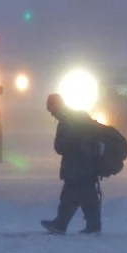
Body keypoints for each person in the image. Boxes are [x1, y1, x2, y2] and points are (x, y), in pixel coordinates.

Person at [41, 94, 102, 235]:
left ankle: (64, 224)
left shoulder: (67, 122)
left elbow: (61, 146)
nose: (52, 115)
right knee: (80, 195)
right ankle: (73, 224)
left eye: (51, 111)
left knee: (77, 195)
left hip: (77, 165)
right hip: (86, 164)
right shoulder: (77, 117)